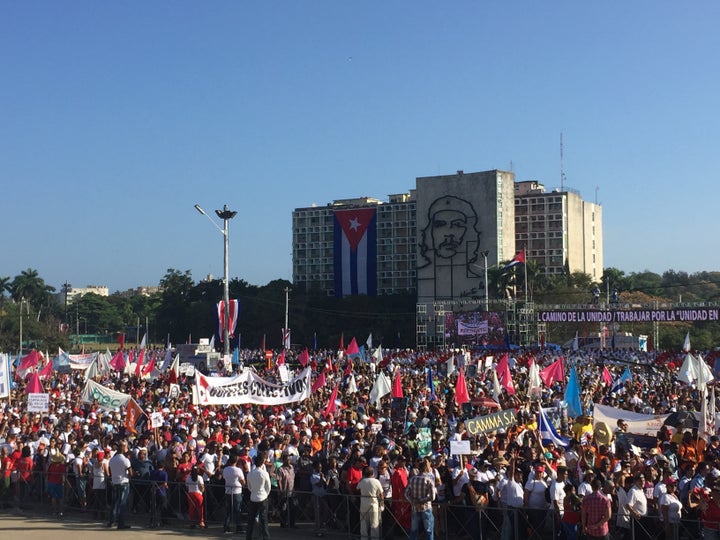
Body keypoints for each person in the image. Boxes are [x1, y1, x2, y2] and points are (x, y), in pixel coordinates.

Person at [405, 458, 436, 540]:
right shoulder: (429, 480)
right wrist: (422, 501)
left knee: (414, 530)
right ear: (426, 468)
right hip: (426, 507)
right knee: (429, 531)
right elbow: (433, 497)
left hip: (415, 508)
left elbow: (406, 494)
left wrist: (413, 501)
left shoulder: (412, 479)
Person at [108, 440, 132, 530]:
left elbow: (110, 471)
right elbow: (130, 473)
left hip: (115, 482)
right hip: (123, 482)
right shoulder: (125, 460)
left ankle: (112, 521)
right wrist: (128, 475)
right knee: (122, 504)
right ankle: (121, 523)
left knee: (114, 503)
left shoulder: (112, 459)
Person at [246, 453, 271, 540]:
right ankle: (265, 538)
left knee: (251, 520)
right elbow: (268, 487)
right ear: (262, 463)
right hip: (262, 497)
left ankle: (248, 537)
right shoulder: (264, 473)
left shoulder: (250, 474)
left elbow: (249, 487)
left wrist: (253, 491)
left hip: (253, 497)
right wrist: (265, 494)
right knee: (264, 520)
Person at [357, 466, 384, 540]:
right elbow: (381, 494)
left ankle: (364, 539)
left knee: (363, 525)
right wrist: (382, 505)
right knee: (374, 525)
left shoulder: (362, 481)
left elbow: (357, 488)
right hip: (373, 505)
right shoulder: (376, 481)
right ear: (373, 473)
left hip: (363, 505)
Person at [223, 453, 246, 534]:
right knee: (237, 510)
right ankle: (239, 527)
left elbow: (224, 478)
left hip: (228, 491)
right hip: (237, 491)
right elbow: (243, 481)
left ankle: (226, 527)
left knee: (228, 510)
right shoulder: (238, 470)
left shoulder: (225, 469)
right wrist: (243, 485)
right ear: (236, 461)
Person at [149, 460, 169, 528]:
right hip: (162, 492)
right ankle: (163, 521)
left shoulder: (152, 472)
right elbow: (165, 483)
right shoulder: (164, 473)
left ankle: (152, 520)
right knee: (163, 507)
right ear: (163, 466)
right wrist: (158, 488)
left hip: (153, 492)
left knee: (154, 507)